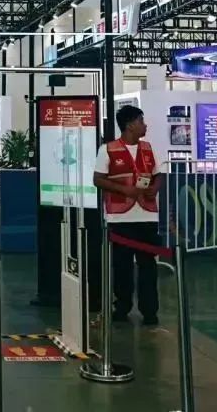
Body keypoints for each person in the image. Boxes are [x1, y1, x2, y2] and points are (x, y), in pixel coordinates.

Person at [93, 105, 161, 325]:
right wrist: (124, 190)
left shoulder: (149, 148)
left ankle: (150, 310)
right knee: (122, 266)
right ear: (130, 125)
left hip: (147, 216)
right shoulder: (107, 149)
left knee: (148, 267)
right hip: (120, 218)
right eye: (141, 121)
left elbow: (158, 174)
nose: (145, 125)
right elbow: (98, 179)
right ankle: (122, 307)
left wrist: (154, 188)